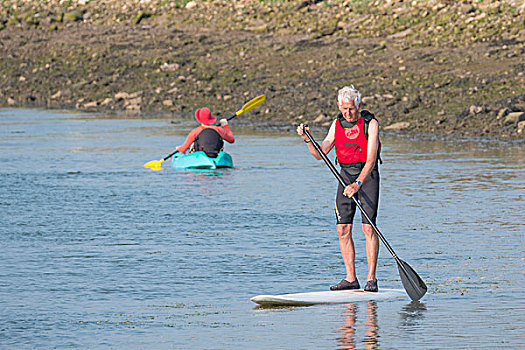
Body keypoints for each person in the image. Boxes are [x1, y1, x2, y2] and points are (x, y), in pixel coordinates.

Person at [297, 85, 381, 292]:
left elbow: (371, 160)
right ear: (338, 106)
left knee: (368, 227)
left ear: (358, 105)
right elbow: (321, 153)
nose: (348, 113)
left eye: (351, 109)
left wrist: (358, 184)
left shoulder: (370, 124)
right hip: (344, 176)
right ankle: (351, 278)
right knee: (343, 228)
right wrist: (308, 139)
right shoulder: (337, 124)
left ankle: (371, 279)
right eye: (344, 109)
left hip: (366, 177)